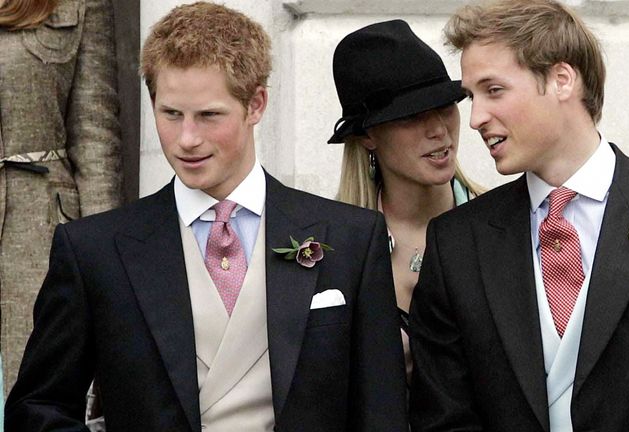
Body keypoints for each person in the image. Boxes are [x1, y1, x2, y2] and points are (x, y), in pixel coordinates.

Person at [5, 3, 407, 431]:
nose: (187, 139)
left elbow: (381, 413)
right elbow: (36, 410)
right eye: (171, 114)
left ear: (256, 104)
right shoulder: (93, 251)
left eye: (209, 116)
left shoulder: (350, 239)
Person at [408, 1, 629, 431]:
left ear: (561, 79)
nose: (477, 117)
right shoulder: (456, 242)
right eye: (472, 97)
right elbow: (444, 416)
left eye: (494, 90)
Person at [329, 19, 629, 382]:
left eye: (446, 105)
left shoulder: (502, 222)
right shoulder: (332, 250)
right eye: (411, 116)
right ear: (367, 135)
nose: (440, 129)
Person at [0, 0, 122, 394]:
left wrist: (108, 272)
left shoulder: (82, 4)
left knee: (39, 388)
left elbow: (95, 140)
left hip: (43, 230)